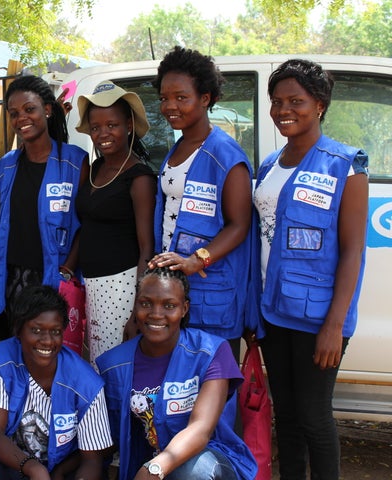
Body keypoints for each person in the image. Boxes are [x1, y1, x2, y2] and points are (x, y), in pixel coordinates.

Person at [251, 59, 368, 479]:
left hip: (318, 317)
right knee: (287, 415)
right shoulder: (268, 166)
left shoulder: (345, 166)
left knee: (315, 415)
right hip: (273, 311)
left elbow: (353, 251)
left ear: (319, 104)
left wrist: (335, 325)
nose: (284, 110)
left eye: (296, 101)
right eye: (277, 101)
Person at [97, 267, 257, 480]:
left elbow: (201, 429)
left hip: (208, 461)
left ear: (184, 308)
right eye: (145, 303)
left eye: (169, 305)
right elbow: (108, 438)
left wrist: (154, 469)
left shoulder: (211, 352)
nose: (156, 314)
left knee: (193, 472)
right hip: (149, 467)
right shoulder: (114, 364)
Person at [145, 47, 253, 359]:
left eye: (181, 97)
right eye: (164, 98)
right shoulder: (178, 147)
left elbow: (239, 224)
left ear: (205, 98)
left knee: (213, 387)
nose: (169, 106)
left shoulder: (226, 155)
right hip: (173, 289)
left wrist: (198, 259)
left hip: (210, 288)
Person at [0, 75, 89, 338]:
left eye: (30, 109)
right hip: (10, 281)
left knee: (49, 355)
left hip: (53, 277)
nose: (22, 119)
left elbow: (87, 224)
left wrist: (68, 269)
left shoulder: (75, 162)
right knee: (14, 352)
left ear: (48, 110)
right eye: (14, 113)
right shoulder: (5, 166)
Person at [0, 285, 113, 480]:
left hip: (65, 466)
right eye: (36, 330)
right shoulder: (3, 359)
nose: (47, 341)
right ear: (18, 330)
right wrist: (34, 468)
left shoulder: (86, 382)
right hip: (18, 462)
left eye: (55, 331)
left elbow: (92, 459)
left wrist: (59, 472)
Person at [74, 80, 156, 365]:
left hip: (121, 287)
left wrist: (139, 308)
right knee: (98, 365)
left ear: (129, 125)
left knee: (116, 369)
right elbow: (87, 225)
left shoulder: (140, 177)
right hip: (92, 286)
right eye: (95, 128)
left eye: (112, 125)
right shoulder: (96, 168)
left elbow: (147, 247)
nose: (103, 134)